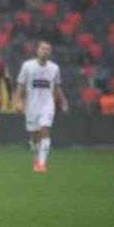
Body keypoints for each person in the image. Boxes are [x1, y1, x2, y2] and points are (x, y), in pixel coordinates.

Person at [14, 41, 69, 173]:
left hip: (47, 104)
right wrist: (18, 101)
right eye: (43, 48)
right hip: (32, 106)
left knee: (45, 130)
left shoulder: (54, 68)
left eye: (48, 49)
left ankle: (41, 164)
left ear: (50, 53)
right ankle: (36, 156)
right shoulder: (27, 66)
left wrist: (64, 102)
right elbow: (20, 84)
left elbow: (56, 87)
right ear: (38, 50)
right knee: (34, 136)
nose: (45, 51)